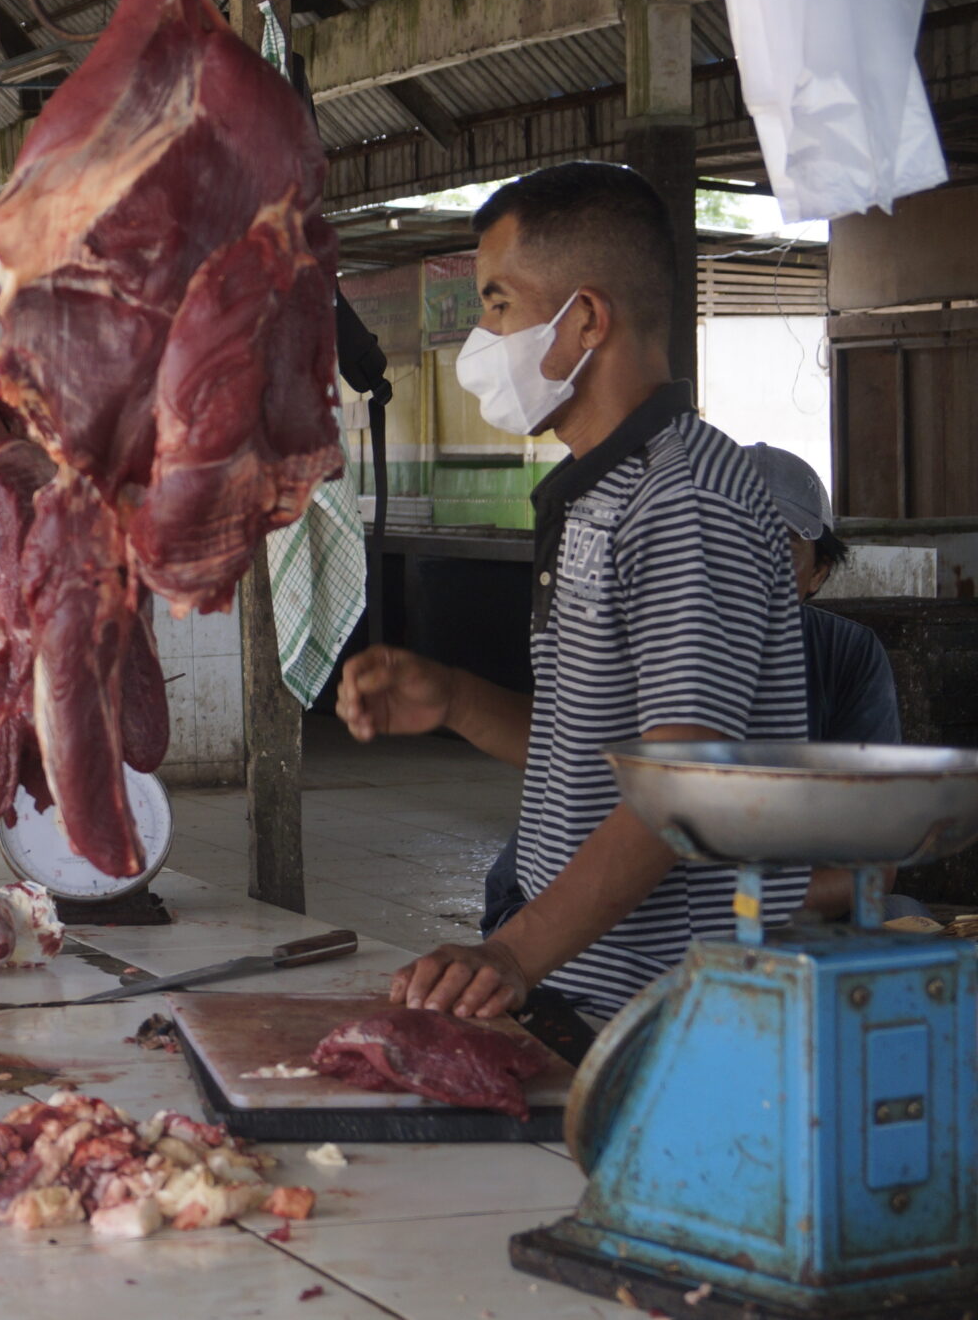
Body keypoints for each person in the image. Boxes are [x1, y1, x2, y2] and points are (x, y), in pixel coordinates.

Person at [336, 162, 809, 1025]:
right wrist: (452, 699)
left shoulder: (686, 498)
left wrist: (510, 952)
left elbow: (681, 782)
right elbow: (594, 756)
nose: (482, 333)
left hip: (672, 1015)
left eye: (499, 302)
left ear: (586, 317)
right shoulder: (602, 490)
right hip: (587, 996)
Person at [741, 443, 899, 745]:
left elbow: (863, 784)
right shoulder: (660, 646)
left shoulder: (848, 653)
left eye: (782, 548)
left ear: (817, 573)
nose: (752, 565)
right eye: (733, 538)